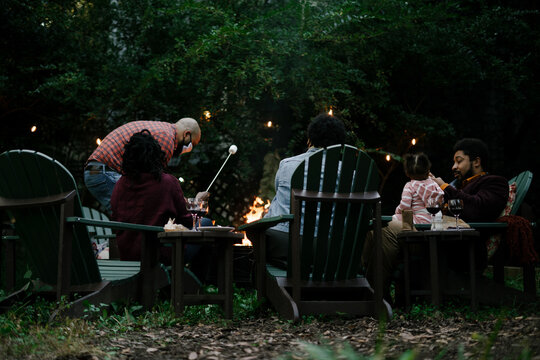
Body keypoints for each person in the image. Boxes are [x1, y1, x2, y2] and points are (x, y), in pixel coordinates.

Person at [362, 138, 508, 301]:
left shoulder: (494, 183)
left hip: (456, 242)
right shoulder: (459, 185)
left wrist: (444, 187)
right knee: (374, 230)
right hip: (431, 234)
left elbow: (477, 209)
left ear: (477, 162)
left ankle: (375, 298)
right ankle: (371, 293)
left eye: (459, 161)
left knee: (385, 232)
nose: (454, 167)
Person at [263, 113, 347, 268]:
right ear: (340, 145)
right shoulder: (350, 174)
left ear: (310, 140)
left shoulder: (287, 166)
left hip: (286, 244)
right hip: (331, 247)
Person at [84, 118, 203, 214]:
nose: (189, 148)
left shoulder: (164, 130)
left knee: (131, 214)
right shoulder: (167, 139)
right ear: (187, 134)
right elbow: (153, 184)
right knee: (132, 214)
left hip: (97, 169)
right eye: (192, 144)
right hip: (103, 172)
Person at [110, 130, 194, 264]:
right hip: (159, 255)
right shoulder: (168, 182)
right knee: (206, 225)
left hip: (127, 255)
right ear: (156, 155)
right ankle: (191, 282)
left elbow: (115, 217)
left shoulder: (120, 184)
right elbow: (187, 221)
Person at [393, 153, 444, 224]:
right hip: (436, 219)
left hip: (419, 221)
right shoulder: (433, 183)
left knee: (395, 217)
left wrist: (398, 211)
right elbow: (441, 199)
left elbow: (405, 206)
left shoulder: (409, 186)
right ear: (428, 171)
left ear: (407, 173)